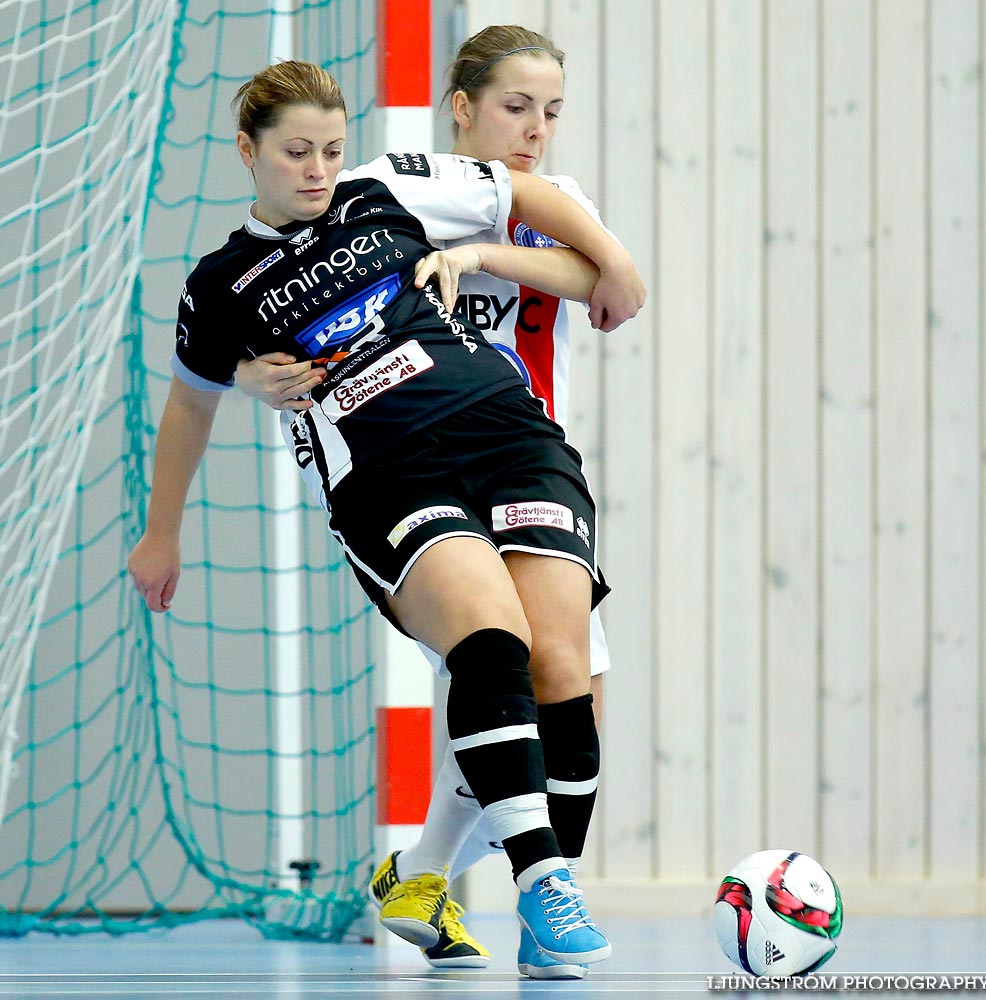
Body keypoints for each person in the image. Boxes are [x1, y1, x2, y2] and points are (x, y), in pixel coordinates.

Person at [127, 60, 644, 972]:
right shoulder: (220, 284)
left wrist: (614, 256)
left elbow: (525, 188)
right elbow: (190, 401)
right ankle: (541, 884)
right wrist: (161, 530)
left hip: (511, 433)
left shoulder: (381, 189)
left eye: (330, 149)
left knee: (567, 677)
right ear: (248, 152)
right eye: (296, 153)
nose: (319, 170)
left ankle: (462, 883)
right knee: (492, 648)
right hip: (390, 468)